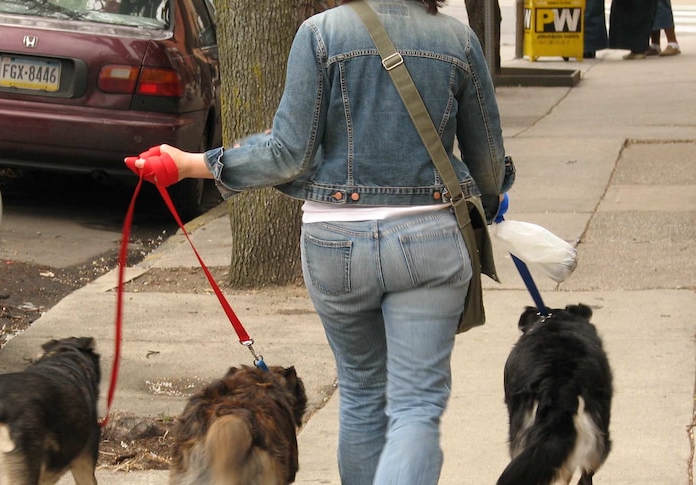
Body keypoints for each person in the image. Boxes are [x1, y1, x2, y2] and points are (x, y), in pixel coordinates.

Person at [126, 0, 514, 483]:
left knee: (362, 392)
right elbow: (490, 165)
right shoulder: (457, 40)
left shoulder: (320, 33)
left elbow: (289, 153)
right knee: (416, 404)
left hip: (336, 243)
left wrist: (190, 164)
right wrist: (493, 194)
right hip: (428, 238)